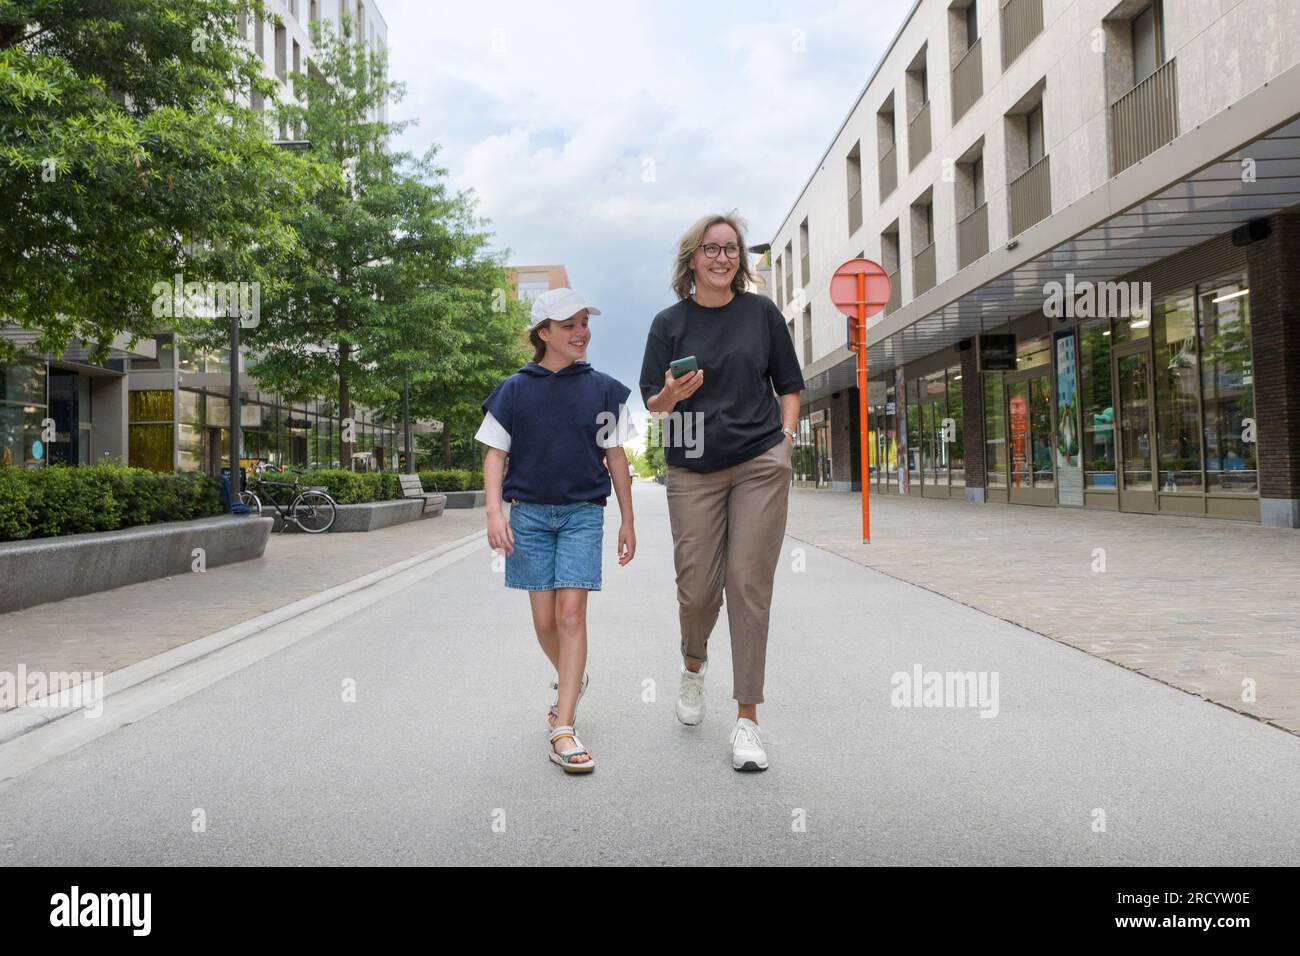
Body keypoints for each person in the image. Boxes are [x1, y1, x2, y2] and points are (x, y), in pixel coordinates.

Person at [639, 212, 804, 772]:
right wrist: (669, 393)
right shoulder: (669, 323)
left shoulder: (761, 313)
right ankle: (693, 664)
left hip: (759, 460)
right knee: (699, 591)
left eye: (731, 249)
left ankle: (748, 721)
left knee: (748, 584)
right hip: (692, 468)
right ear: (692, 260)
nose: (722, 257)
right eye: (711, 249)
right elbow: (652, 405)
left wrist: (783, 439)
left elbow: (790, 385)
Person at [477, 288, 637, 774]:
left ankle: (563, 726)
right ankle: (573, 675)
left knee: (571, 615)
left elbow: (616, 458)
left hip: (582, 513)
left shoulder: (604, 389)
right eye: (569, 324)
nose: (581, 332)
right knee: (545, 621)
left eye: (585, 322)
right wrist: (494, 512)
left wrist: (627, 519)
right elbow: (494, 455)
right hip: (527, 515)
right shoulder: (514, 390)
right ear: (543, 333)